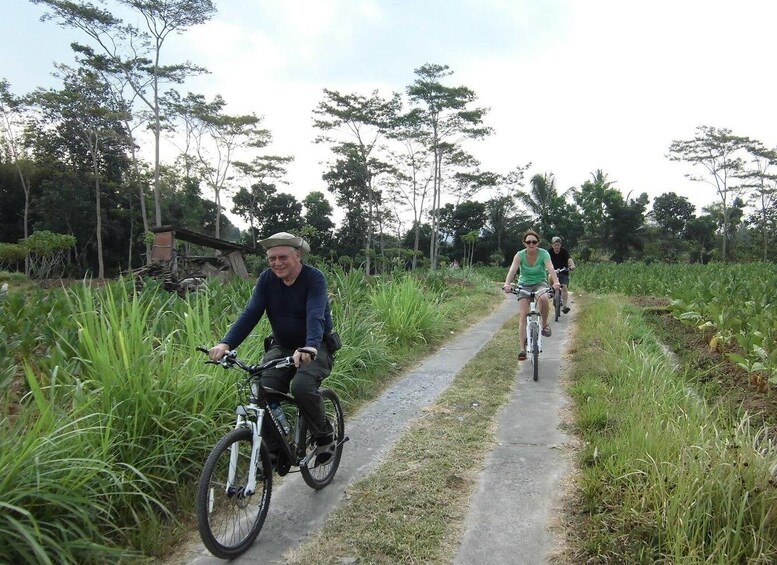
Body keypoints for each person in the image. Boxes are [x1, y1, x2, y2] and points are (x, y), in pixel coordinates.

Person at [208, 231, 337, 465]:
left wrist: (309, 346)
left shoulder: (313, 278)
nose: (277, 263)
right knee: (260, 391)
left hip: (316, 346)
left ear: (297, 255)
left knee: (302, 386)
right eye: (272, 258)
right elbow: (250, 313)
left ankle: (324, 434)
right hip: (283, 347)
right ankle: (276, 452)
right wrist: (226, 343)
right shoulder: (267, 279)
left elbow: (315, 315)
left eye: (283, 257)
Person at [502, 229, 561, 361]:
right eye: (528, 241)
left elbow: (550, 268)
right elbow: (513, 270)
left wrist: (556, 282)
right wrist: (507, 283)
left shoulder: (544, 254)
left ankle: (545, 325)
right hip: (524, 285)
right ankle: (522, 349)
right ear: (524, 243)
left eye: (534, 241)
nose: (531, 243)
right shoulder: (519, 255)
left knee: (544, 299)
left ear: (538, 242)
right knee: (523, 315)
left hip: (540, 283)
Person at [548, 236, 576, 313]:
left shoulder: (564, 251)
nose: (556, 246)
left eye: (558, 245)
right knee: (550, 276)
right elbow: (545, 260)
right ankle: (551, 290)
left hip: (563, 272)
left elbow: (569, 259)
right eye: (555, 245)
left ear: (560, 245)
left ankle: (564, 306)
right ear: (552, 245)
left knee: (564, 288)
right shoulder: (549, 252)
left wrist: (572, 265)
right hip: (553, 272)